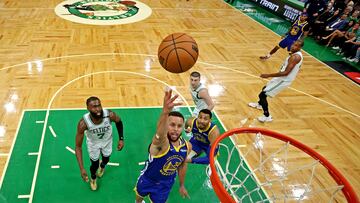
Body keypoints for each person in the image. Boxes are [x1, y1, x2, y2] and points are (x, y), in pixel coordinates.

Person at [134, 89, 191, 203]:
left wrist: (182, 185)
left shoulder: (187, 146)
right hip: (148, 178)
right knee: (139, 196)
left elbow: (182, 165)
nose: (175, 129)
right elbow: (160, 133)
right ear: (166, 125)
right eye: (172, 125)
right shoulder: (161, 143)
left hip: (165, 184)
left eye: (179, 126)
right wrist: (165, 112)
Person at [75, 96, 124, 190]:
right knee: (94, 164)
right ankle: (93, 178)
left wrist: (121, 138)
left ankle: (102, 167)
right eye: (94, 106)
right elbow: (78, 147)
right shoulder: (83, 123)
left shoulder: (110, 115)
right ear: (88, 108)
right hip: (93, 144)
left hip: (107, 141)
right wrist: (81, 168)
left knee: (106, 159)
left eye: (99, 105)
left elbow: (119, 121)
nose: (98, 109)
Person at [250, 40, 304, 122]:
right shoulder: (294, 54)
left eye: (296, 46)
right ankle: (260, 104)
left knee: (263, 95)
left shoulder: (295, 57)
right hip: (280, 77)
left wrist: (268, 75)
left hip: (283, 80)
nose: (293, 46)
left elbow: (286, 73)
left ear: (300, 48)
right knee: (264, 88)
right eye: (293, 44)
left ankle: (267, 116)